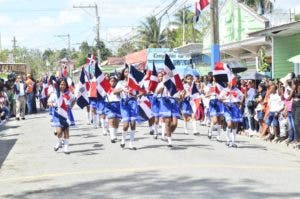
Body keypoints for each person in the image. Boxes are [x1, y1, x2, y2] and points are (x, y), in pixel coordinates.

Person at [113, 66, 139, 150]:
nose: (127, 73)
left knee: (133, 123)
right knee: (126, 125)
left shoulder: (134, 81)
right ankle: (123, 140)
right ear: (124, 73)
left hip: (133, 102)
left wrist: (134, 95)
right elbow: (114, 92)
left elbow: (139, 92)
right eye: (126, 72)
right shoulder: (120, 82)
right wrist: (122, 89)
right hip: (124, 103)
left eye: (129, 72)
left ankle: (131, 143)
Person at [49, 78, 75, 154]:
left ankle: (66, 148)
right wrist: (53, 104)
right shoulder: (54, 94)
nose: (62, 86)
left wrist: (71, 105)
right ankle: (59, 142)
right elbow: (48, 102)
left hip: (66, 114)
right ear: (58, 85)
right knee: (59, 132)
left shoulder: (68, 93)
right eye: (60, 84)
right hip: (57, 115)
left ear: (66, 85)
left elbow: (74, 99)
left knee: (66, 131)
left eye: (63, 84)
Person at [220, 80, 244, 147]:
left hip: (235, 108)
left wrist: (240, 103)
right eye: (230, 82)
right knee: (229, 124)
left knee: (235, 124)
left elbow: (242, 96)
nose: (231, 83)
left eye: (232, 82)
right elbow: (219, 98)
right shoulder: (224, 90)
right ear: (227, 82)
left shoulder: (237, 90)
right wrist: (224, 101)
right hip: (227, 108)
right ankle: (228, 140)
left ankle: (233, 142)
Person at [105, 76, 121, 143]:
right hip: (109, 104)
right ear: (109, 82)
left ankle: (115, 134)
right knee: (111, 119)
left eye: (114, 81)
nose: (113, 82)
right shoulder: (106, 88)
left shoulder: (119, 88)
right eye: (111, 81)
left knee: (116, 120)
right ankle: (112, 137)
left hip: (118, 104)